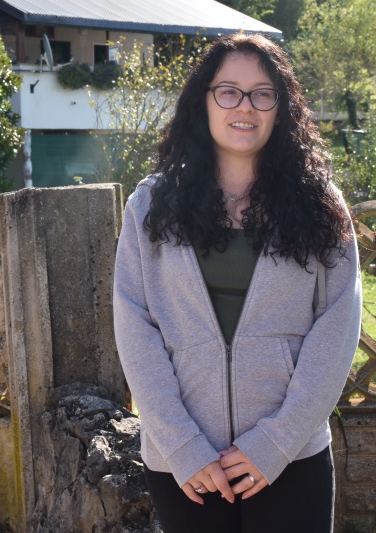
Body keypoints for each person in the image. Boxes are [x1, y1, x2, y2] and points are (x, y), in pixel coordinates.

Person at [113, 33, 362, 533]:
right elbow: (134, 326)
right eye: (228, 91)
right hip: (187, 465)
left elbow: (338, 325)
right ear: (203, 101)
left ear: (281, 108)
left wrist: (275, 442)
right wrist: (182, 446)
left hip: (290, 457)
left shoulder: (320, 205)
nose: (245, 106)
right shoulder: (151, 205)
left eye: (262, 93)